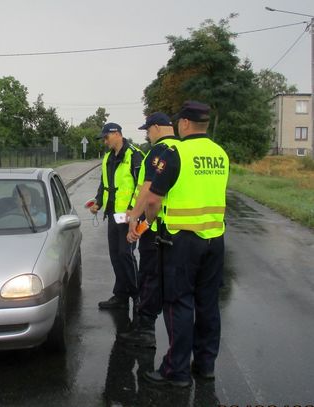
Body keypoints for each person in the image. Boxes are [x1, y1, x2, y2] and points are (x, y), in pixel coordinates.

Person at [135, 101, 229, 388]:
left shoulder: (176, 153)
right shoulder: (220, 154)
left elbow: (153, 199)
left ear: (185, 124)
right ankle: (205, 365)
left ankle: (175, 371)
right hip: (215, 239)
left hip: (182, 241)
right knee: (208, 303)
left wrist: (148, 221)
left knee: (178, 303)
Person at [117, 112, 179, 348]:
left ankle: (145, 331)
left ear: (156, 128)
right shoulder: (182, 150)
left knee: (149, 277)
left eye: (148, 130)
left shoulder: (159, 152)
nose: (147, 135)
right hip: (182, 230)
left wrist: (135, 219)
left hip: (156, 227)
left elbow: (149, 191)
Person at [89, 122, 145, 310]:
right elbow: (103, 184)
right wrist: (98, 202)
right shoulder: (108, 158)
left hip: (130, 217)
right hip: (113, 215)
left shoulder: (134, 155)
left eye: (106, 137)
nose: (104, 142)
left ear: (117, 134)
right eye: (103, 139)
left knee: (126, 254)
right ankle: (120, 296)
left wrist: (133, 210)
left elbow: (142, 187)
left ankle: (138, 297)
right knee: (115, 256)